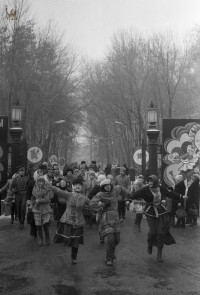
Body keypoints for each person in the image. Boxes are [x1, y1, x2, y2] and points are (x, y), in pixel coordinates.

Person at [131, 175, 187, 262]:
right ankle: (150, 244)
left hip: (161, 211)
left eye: (151, 181)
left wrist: (181, 196)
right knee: (153, 232)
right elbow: (135, 194)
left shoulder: (160, 188)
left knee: (160, 232)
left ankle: (159, 253)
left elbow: (170, 193)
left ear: (156, 182)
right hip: (150, 211)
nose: (150, 183)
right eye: (149, 181)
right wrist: (128, 199)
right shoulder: (145, 189)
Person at [52, 178, 90, 264]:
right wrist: (48, 185)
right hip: (67, 220)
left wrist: (99, 205)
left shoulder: (84, 198)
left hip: (78, 222)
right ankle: (62, 254)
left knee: (75, 240)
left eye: (79, 185)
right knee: (67, 239)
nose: (78, 186)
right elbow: (58, 191)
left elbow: (92, 204)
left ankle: (74, 257)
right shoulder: (68, 195)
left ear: (82, 187)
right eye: (76, 185)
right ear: (73, 186)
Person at [90, 178, 121, 266]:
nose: (108, 187)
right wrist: (103, 205)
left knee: (117, 240)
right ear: (103, 187)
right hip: (106, 219)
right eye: (105, 186)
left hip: (115, 218)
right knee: (111, 239)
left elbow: (120, 187)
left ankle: (109, 251)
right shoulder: (100, 194)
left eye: (109, 185)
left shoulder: (114, 193)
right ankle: (109, 258)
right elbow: (92, 204)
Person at [32, 176, 53, 246]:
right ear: (37, 182)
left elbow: (47, 199)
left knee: (45, 225)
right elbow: (32, 199)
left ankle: (47, 239)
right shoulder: (34, 189)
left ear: (44, 182)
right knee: (38, 225)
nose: (40, 183)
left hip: (45, 209)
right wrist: (35, 201)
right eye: (39, 181)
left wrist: (40, 200)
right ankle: (40, 239)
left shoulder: (47, 189)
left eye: (42, 181)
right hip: (37, 209)